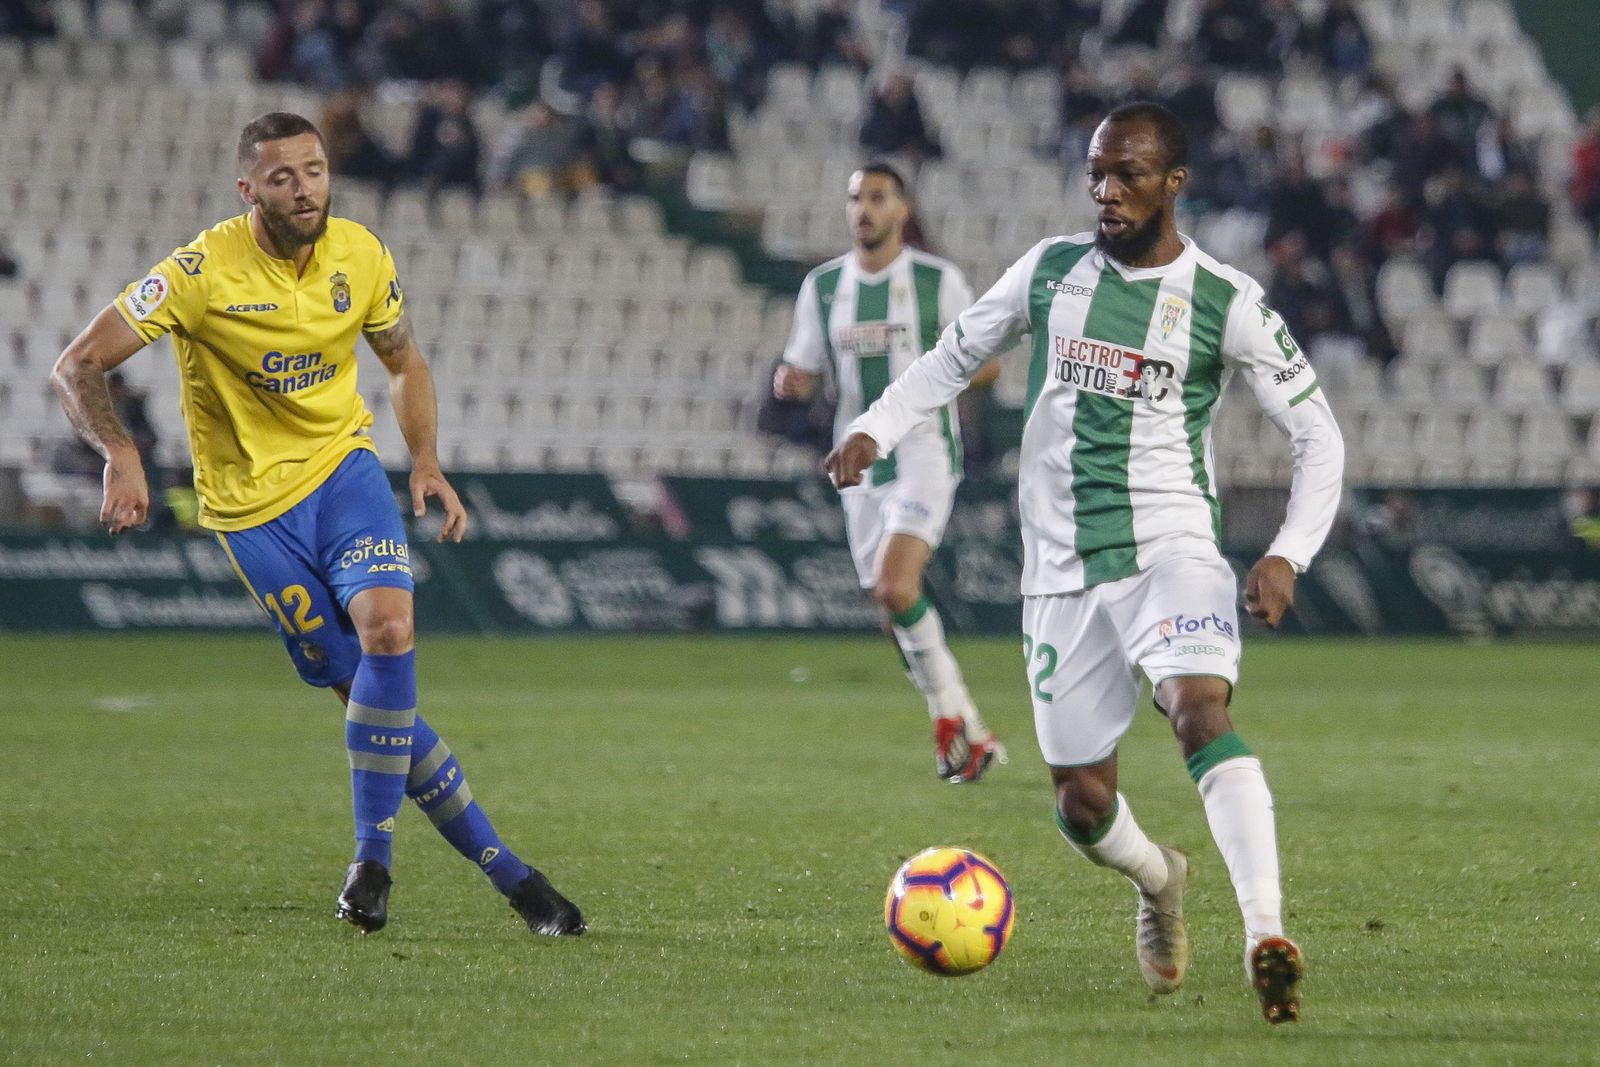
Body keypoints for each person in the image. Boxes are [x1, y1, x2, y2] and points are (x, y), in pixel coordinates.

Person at [826, 103, 1344, 1024]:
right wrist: (875, 427)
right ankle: (1159, 879)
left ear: (1173, 183)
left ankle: (1266, 931)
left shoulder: (1223, 299)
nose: (1107, 191)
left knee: (1199, 709)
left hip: (1171, 549)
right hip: (1059, 572)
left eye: (1129, 174)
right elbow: (953, 356)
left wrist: (1286, 552)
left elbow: (1318, 435)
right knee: (1081, 803)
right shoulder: (1050, 270)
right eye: (1097, 173)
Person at [49, 112, 585, 940]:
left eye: (315, 170)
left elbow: (403, 361)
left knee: (391, 629)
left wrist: (427, 459)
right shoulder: (200, 271)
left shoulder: (360, 255)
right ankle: (512, 874)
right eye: (283, 177)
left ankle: (373, 859)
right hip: (251, 515)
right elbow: (77, 364)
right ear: (248, 190)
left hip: (344, 476)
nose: (304, 189)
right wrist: (120, 451)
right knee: (368, 698)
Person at [774, 162, 1005, 784]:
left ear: (902, 210)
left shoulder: (937, 281)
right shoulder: (823, 287)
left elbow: (987, 365)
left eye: (877, 198)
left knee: (896, 588)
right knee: (891, 610)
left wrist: (947, 371)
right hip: (857, 467)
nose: (864, 209)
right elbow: (803, 371)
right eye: (856, 198)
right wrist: (792, 383)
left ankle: (949, 720)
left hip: (924, 454)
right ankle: (972, 730)